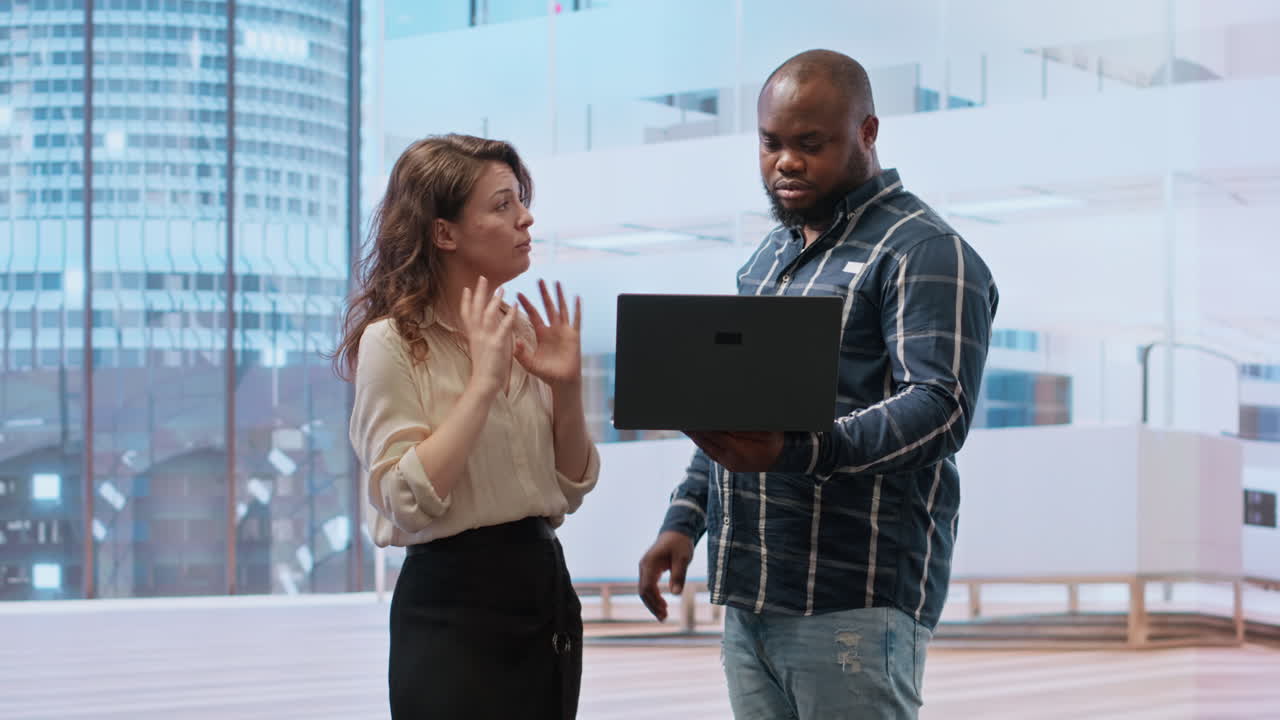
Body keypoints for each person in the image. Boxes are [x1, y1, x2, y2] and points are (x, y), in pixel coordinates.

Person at [637, 50, 999, 719]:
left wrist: (800, 448)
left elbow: (940, 406)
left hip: (853, 597)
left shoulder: (921, 251)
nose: (786, 163)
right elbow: (735, 406)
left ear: (867, 133)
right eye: (771, 144)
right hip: (752, 592)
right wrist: (685, 520)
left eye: (811, 144)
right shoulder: (769, 260)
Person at [337, 134, 599, 720]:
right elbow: (404, 498)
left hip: (543, 590)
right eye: (503, 204)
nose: (526, 218)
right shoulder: (392, 342)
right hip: (451, 605)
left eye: (521, 201)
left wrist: (567, 386)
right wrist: (482, 385)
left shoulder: (522, 330)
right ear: (444, 232)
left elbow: (573, 484)